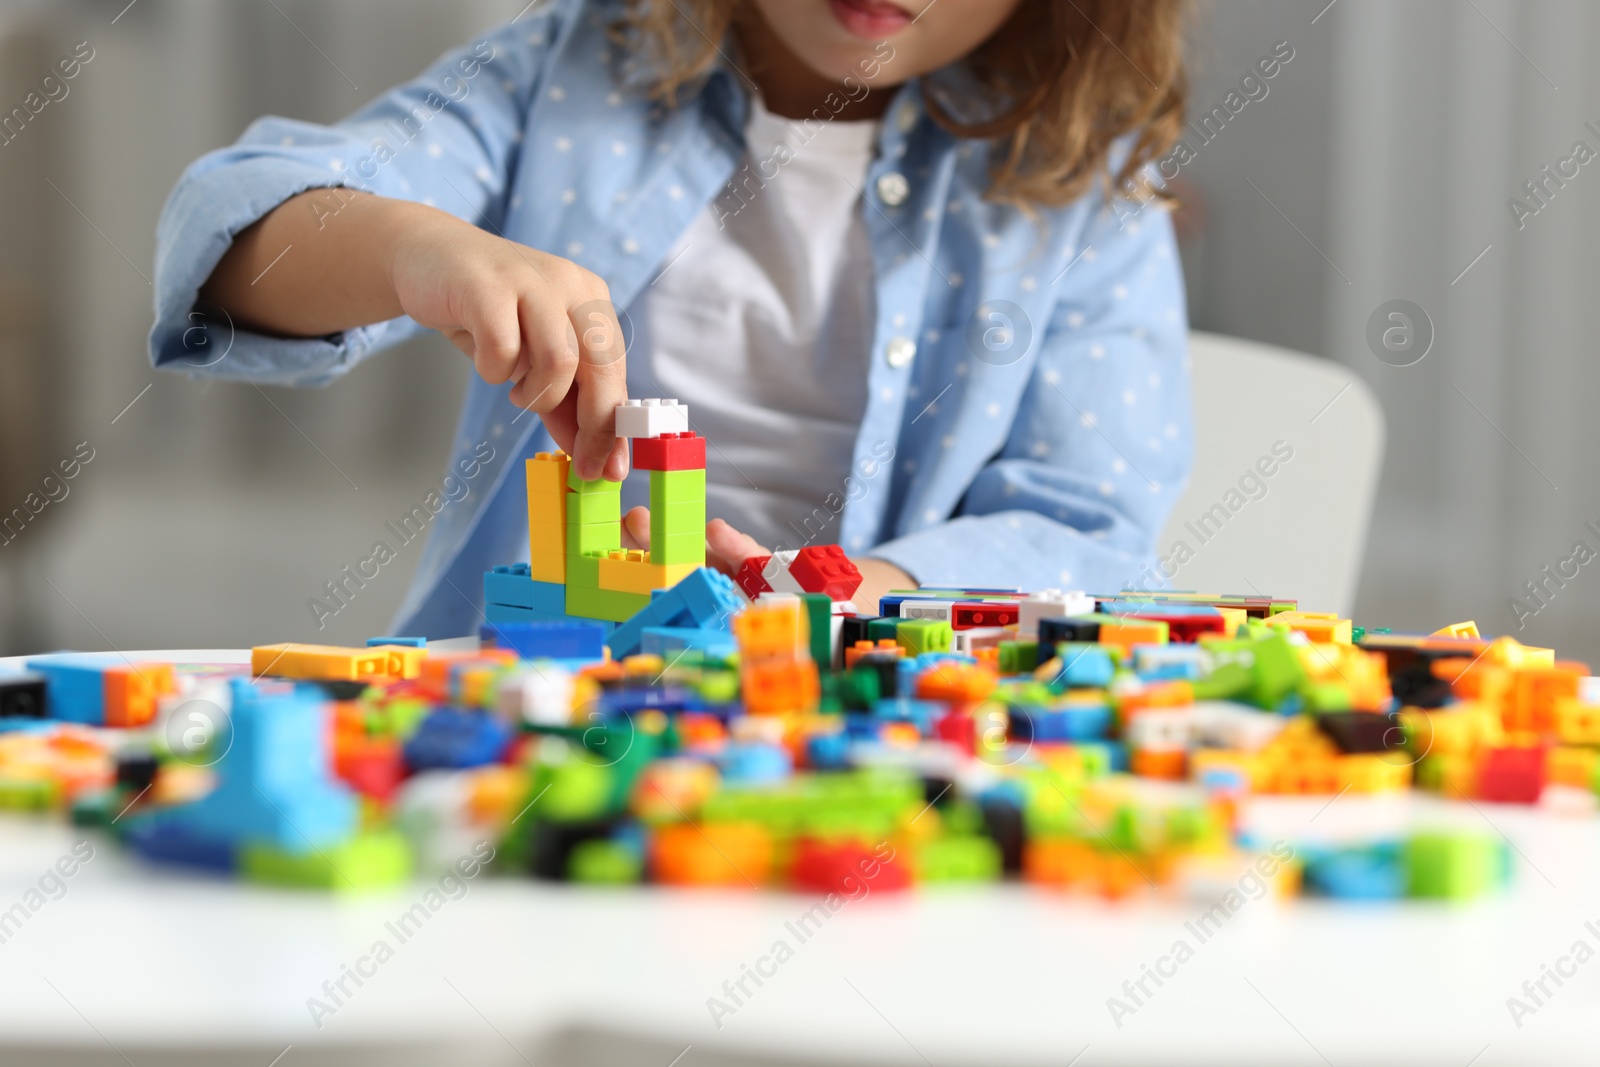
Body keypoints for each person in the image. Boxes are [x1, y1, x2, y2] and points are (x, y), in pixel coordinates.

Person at [150, 0, 1194, 636]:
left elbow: (1085, 531)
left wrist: (846, 598)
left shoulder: (1083, 182)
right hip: (531, 711)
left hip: (879, 738)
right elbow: (230, 239)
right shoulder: (565, 73)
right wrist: (415, 248)